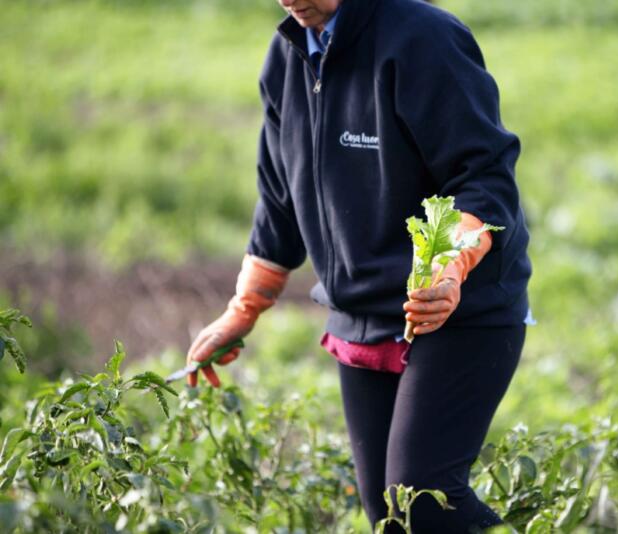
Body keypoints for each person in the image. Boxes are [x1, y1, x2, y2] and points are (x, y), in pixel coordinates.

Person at [186, 0, 534, 531]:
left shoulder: (423, 39)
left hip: (455, 311)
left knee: (421, 499)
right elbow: (280, 198)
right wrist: (244, 308)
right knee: (389, 516)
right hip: (362, 314)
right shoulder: (287, 57)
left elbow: (483, 178)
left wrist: (447, 268)